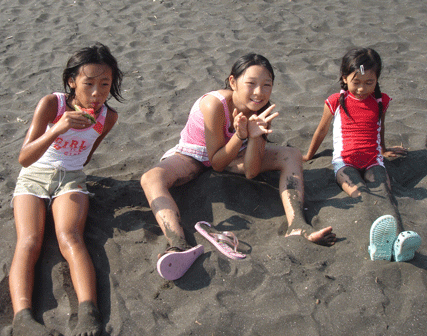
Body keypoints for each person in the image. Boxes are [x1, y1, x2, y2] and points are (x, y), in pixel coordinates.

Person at [141, 53, 336, 281]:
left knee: (291, 154)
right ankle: (178, 243)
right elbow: (216, 163)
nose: (259, 92)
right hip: (194, 154)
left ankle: (297, 224)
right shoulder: (214, 104)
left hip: (235, 154)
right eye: (251, 84)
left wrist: (253, 137)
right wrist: (240, 135)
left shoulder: (262, 111)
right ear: (233, 82)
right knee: (151, 178)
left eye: (267, 85)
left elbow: (251, 171)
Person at [9, 43, 123, 336]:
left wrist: (71, 166)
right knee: (30, 241)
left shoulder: (107, 117)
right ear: (72, 81)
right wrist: (58, 129)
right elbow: (24, 158)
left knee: (70, 237)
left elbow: (85, 156)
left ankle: (89, 312)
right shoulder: (53, 104)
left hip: (71, 178)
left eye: (105, 84)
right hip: (34, 176)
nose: (97, 93)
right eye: (89, 84)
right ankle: (23, 320)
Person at [303, 47, 421, 262]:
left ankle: (399, 242)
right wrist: (308, 155)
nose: (362, 88)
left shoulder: (380, 101)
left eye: (369, 82)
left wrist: (383, 149)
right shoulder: (335, 101)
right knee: (362, 194)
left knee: (385, 193)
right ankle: (378, 244)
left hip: (373, 160)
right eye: (356, 82)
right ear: (344, 78)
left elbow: (380, 127)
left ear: (377, 80)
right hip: (344, 163)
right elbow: (321, 130)